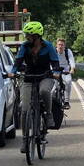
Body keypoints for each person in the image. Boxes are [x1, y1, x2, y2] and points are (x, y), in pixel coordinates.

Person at [11, 21, 62, 153]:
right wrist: (13, 71)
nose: (27, 37)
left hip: (45, 76)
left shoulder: (49, 46)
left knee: (44, 91)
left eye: (29, 35)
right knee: (24, 107)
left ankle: (49, 115)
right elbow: (18, 61)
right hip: (29, 77)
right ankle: (25, 140)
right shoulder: (25, 46)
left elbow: (55, 62)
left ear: (37, 36)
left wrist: (56, 72)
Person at [55, 38, 76, 109]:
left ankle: (66, 102)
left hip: (65, 71)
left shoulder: (68, 51)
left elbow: (71, 60)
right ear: (56, 45)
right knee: (52, 85)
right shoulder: (54, 51)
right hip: (55, 71)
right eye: (59, 44)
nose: (60, 46)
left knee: (68, 82)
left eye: (62, 45)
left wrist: (72, 68)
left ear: (64, 46)